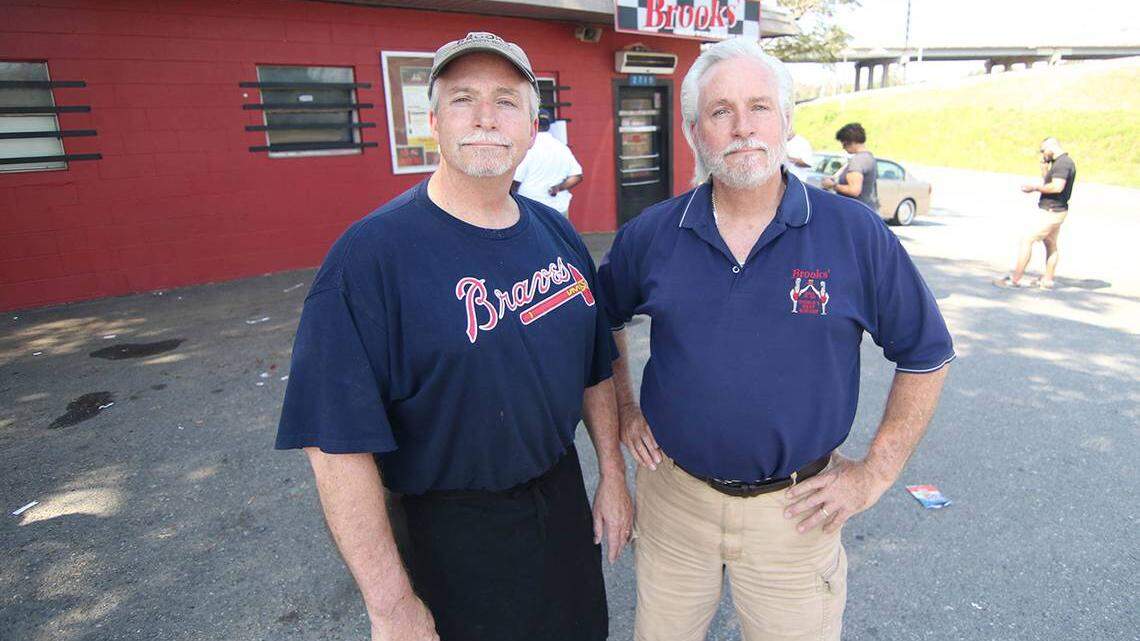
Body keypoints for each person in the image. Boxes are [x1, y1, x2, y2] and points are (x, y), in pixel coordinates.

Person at [275, 32, 631, 641]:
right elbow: (334, 445)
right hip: (448, 529)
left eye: (507, 100)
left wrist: (614, 477)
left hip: (560, 502)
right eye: (464, 99)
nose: (487, 118)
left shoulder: (556, 234)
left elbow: (595, 365)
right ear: (434, 121)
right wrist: (390, 604)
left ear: (532, 124)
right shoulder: (371, 257)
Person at [597, 38, 954, 641]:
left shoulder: (854, 233)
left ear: (786, 121)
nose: (742, 128)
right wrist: (627, 409)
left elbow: (926, 354)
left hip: (795, 513)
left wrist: (874, 473)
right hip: (673, 503)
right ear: (692, 132)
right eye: (720, 112)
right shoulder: (653, 233)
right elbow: (601, 321)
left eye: (760, 107)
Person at [994, 137, 1077, 289]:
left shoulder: (1063, 164)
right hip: (1057, 209)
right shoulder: (1060, 163)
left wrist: (1035, 188)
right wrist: (1045, 169)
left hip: (1052, 211)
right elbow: (1049, 182)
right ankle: (1048, 280)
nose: (1043, 154)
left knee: (1027, 240)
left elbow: (1057, 187)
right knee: (1050, 243)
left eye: (1043, 151)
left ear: (1052, 147)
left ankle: (1015, 279)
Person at [512, 109, 584, 217]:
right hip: (558, 209)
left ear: (533, 124)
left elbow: (515, 182)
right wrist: (558, 188)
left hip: (532, 210)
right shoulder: (562, 148)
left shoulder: (527, 148)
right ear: (549, 125)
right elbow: (577, 176)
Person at [822, 122, 879, 213]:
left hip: (855, 211)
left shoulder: (857, 160)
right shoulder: (870, 158)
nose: (843, 148)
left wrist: (832, 185)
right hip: (867, 210)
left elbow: (854, 190)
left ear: (851, 141)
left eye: (844, 144)